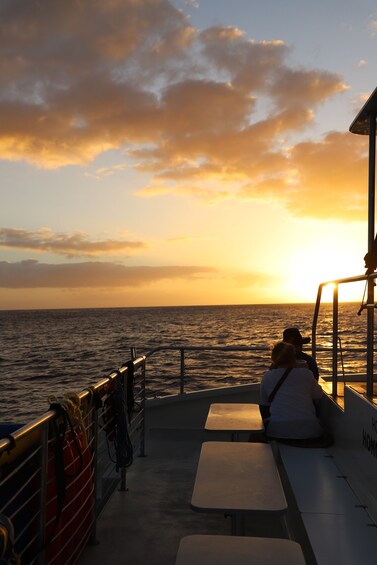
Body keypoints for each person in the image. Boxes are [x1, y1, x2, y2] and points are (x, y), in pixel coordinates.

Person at [260, 341, 329, 446]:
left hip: (278, 431)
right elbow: (318, 395)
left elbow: (265, 403)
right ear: (293, 358)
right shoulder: (306, 373)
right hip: (309, 431)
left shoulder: (267, 376)